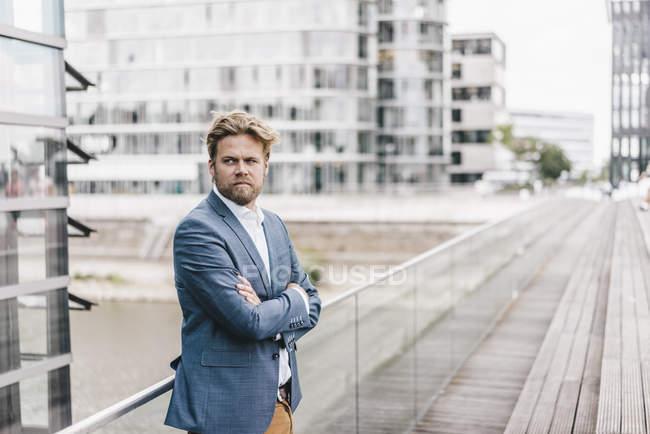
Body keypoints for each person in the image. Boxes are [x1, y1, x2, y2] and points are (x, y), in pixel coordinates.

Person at [165, 110, 321, 434]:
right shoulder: (198, 230)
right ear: (212, 167)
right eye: (230, 161)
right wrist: (292, 298)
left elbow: (313, 303)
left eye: (251, 160)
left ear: (266, 166)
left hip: (281, 402)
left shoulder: (274, 225)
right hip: (227, 413)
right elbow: (248, 322)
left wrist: (273, 310)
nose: (241, 170)